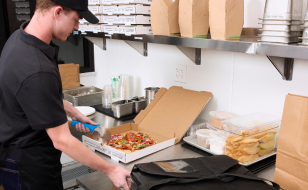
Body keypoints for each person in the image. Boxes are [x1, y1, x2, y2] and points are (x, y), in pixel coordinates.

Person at [0, 0, 131, 189]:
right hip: (28, 166)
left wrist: (73, 112)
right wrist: (112, 170)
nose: (76, 28)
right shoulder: (37, 69)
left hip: (14, 151)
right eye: (76, 20)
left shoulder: (19, 38)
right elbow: (62, 140)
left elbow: (38, 97)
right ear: (58, 12)